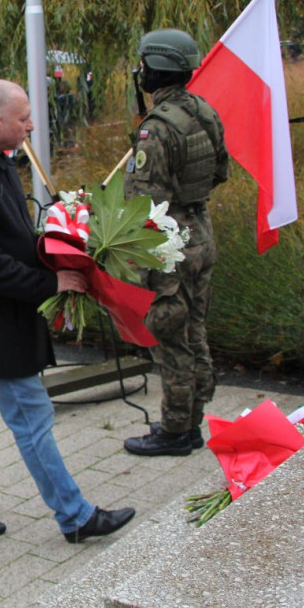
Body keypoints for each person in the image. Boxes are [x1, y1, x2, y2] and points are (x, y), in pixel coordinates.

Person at [0, 79, 135, 543]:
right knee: (33, 416)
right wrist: (50, 282)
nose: (31, 126)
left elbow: (7, 235)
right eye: (23, 119)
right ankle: (76, 517)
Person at [121, 29, 230, 457]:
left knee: (173, 336)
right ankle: (194, 420)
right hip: (200, 231)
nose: (140, 71)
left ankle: (175, 431)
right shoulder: (204, 111)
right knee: (196, 330)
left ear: (155, 68)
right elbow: (220, 172)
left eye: (143, 65)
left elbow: (144, 203)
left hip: (171, 243)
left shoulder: (156, 130)